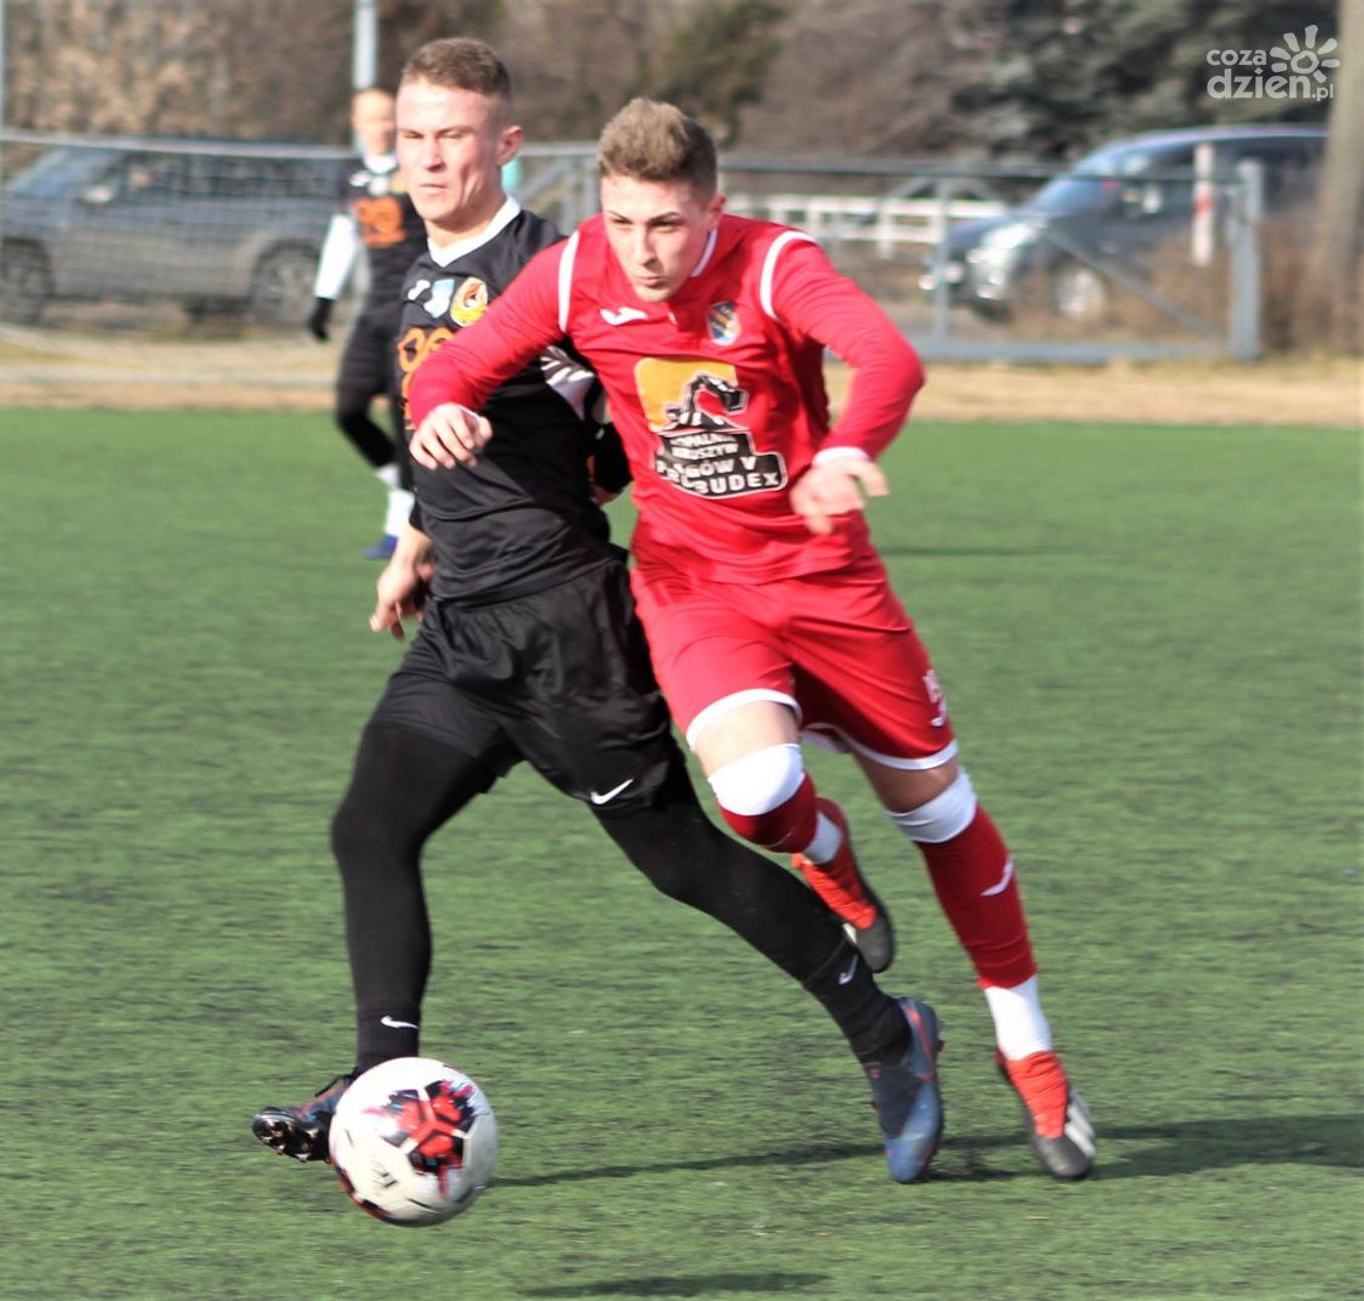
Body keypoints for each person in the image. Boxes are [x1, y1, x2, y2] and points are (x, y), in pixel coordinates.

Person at [253, 40, 944, 1186]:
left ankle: (888, 1032)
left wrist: (597, 486)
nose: (428, 158)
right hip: (465, 621)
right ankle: (378, 1085)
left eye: (453, 136)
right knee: (370, 826)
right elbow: (443, 413)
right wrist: (420, 535)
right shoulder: (420, 267)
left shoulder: (558, 265)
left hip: (567, 625)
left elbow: (641, 420)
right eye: (413, 136)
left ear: (504, 144)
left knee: (682, 861)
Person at [406, 98, 1096, 1180]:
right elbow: (454, 365)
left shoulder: (776, 266)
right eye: (624, 222)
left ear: (713, 209)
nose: (643, 251)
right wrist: (441, 406)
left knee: (940, 813)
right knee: (756, 793)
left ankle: (1031, 1052)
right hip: (696, 587)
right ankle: (827, 854)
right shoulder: (574, 271)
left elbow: (889, 359)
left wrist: (849, 447)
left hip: (829, 582)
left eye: (667, 225)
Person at [309, 86, 428, 558]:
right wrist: (323, 299)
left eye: (387, 118)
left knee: (403, 418)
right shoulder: (352, 174)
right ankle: (405, 487)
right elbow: (343, 234)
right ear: (356, 123)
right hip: (373, 310)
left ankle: (400, 528)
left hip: (415, 312)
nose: (380, 127)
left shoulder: (416, 168)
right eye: (371, 118)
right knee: (349, 410)